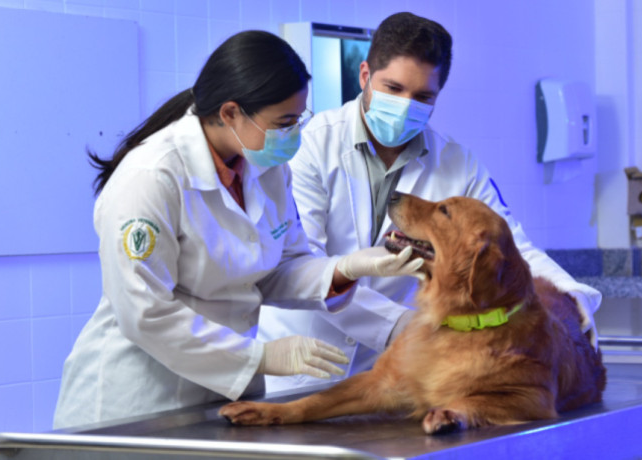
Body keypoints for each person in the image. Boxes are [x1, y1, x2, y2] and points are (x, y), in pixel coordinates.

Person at [52, 30, 424, 429]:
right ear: (230, 113)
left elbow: (277, 267)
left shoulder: (264, 166)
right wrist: (260, 357)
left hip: (219, 395)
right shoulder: (152, 176)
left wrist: (345, 268)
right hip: (136, 399)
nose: (294, 134)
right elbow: (144, 312)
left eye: (298, 119)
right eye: (284, 122)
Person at [258, 12, 602, 393]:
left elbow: (509, 248)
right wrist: (401, 325)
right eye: (393, 88)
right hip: (302, 365)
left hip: (394, 376)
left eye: (423, 97)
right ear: (365, 75)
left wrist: (570, 295)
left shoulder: (458, 164)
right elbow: (304, 263)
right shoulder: (311, 147)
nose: (405, 106)